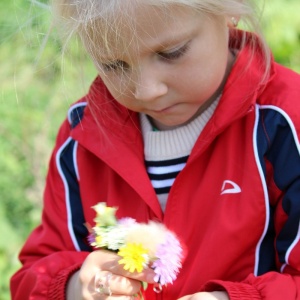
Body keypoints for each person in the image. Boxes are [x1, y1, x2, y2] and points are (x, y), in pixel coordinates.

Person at [10, 0, 300, 299]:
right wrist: (74, 286)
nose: (146, 90)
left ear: (231, 9)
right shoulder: (82, 138)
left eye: (171, 52)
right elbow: (34, 274)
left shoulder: (286, 123)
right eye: (114, 65)